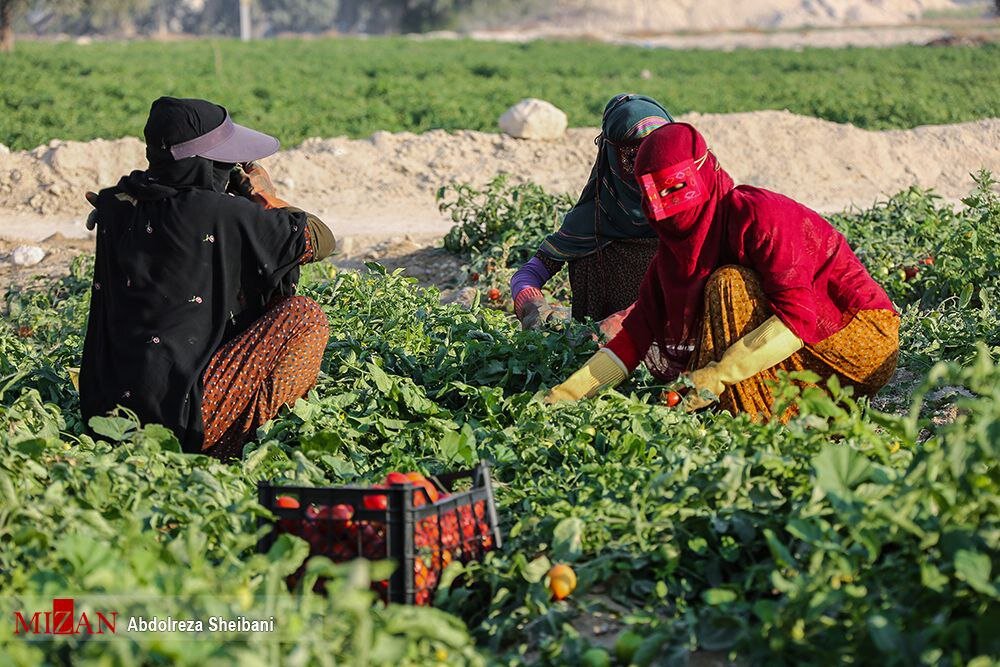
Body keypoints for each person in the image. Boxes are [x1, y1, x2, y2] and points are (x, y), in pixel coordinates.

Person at [546, 122, 899, 421]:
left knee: (727, 285)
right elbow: (633, 338)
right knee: (716, 296)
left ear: (701, 171)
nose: (664, 209)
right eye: (653, 196)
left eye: (675, 189)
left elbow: (796, 318)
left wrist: (717, 375)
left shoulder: (757, 216)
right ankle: (750, 412)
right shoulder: (670, 262)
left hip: (860, 343)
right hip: (806, 361)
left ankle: (750, 421)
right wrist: (565, 395)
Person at [80, 97, 335, 460]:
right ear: (209, 163)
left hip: (107, 418)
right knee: (304, 317)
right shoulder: (221, 213)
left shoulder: (118, 202)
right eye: (226, 161)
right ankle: (230, 444)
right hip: (177, 419)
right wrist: (261, 194)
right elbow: (320, 239)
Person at [510, 93, 673, 334]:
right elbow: (528, 274)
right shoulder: (591, 219)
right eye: (633, 157)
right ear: (612, 156)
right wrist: (532, 306)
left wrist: (626, 320)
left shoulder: (688, 216)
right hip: (596, 354)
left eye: (657, 154)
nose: (646, 168)